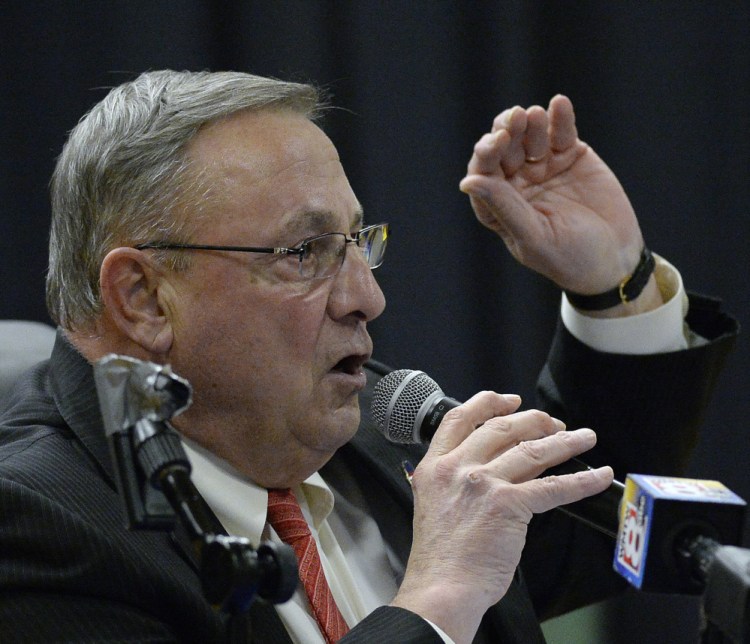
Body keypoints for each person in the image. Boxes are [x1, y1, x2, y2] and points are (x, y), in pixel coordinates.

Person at [0, 70, 737, 643]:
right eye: (304, 252)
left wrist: (616, 283)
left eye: (357, 242)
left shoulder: (366, 425)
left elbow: (590, 517)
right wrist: (436, 600)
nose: (366, 299)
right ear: (143, 297)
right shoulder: (39, 532)